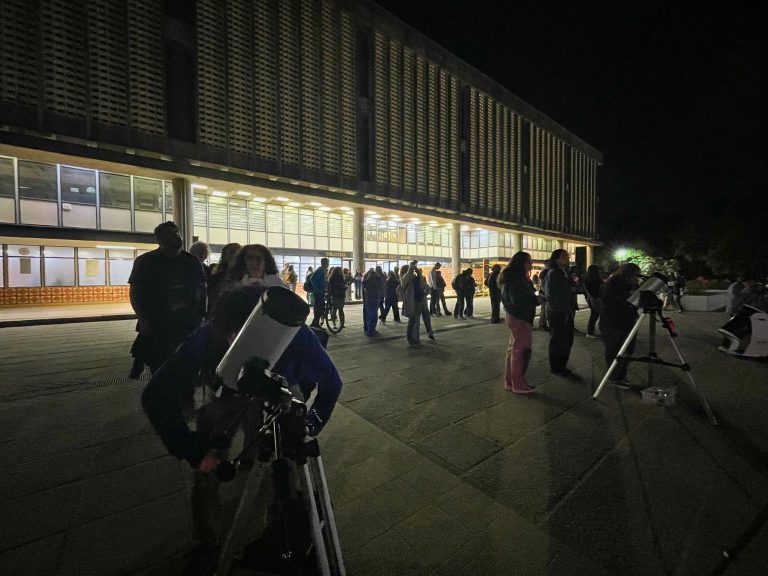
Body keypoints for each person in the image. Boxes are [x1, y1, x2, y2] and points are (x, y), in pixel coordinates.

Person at [141, 285, 343, 556]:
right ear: (225, 330)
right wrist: (191, 450)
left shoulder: (296, 334)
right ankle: (206, 538)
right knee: (206, 464)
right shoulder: (207, 335)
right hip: (227, 393)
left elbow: (331, 382)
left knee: (290, 463)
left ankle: (282, 528)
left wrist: (310, 425)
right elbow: (155, 395)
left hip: (281, 392)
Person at [128, 221, 206, 375]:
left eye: (177, 233)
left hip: (186, 322)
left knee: (186, 365)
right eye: (169, 235)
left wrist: (201, 317)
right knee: (160, 365)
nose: (175, 237)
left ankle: (185, 395)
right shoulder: (145, 262)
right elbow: (135, 292)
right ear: (159, 239)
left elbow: (202, 291)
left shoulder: (191, 262)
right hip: (158, 323)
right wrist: (143, 319)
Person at [499, 252, 539, 393]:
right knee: (520, 351)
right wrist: (536, 300)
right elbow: (520, 300)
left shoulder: (509, 277)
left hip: (513, 316)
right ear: (521, 263)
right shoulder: (517, 280)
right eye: (529, 262)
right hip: (520, 317)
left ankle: (510, 382)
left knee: (513, 350)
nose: (531, 264)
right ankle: (518, 385)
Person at [600, 263, 642, 389]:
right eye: (634, 275)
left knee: (628, 350)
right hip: (612, 322)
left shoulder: (632, 284)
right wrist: (628, 299)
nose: (636, 278)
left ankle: (621, 375)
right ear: (627, 274)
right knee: (614, 351)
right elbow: (610, 302)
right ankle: (615, 377)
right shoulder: (612, 283)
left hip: (628, 320)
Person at [544, 249, 577, 377]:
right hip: (557, 310)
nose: (568, 258)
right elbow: (551, 294)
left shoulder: (565, 272)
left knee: (567, 338)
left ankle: (562, 365)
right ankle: (556, 367)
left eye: (568, 256)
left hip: (566, 309)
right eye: (565, 256)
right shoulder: (553, 273)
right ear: (556, 259)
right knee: (558, 339)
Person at [402, 261, 434, 344]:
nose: (413, 272)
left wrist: (415, 267)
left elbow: (420, 276)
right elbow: (409, 274)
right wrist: (412, 265)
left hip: (421, 301)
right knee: (413, 321)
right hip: (414, 302)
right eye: (411, 270)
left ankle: (427, 333)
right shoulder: (406, 278)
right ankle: (412, 338)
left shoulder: (417, 278)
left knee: (423, 318)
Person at [207, 243, 242, 312]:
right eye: (232, 252)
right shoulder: (215, 278)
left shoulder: (246, 276)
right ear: (224, 256)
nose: (234, 255)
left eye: (238, 253)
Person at [584, 265, 604, 338]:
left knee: (594, 314)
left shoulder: (587, 278)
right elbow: (597, 290)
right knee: (598, 314)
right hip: (596, 298)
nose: (600, 271)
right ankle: (591, 332)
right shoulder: (595, 279)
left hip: (590, 298)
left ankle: (590, 332)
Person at [310, 258, 329, 327]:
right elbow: (313, 279)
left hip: (320, 292)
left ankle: (316, 323)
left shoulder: (322, 270)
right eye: (327, 263)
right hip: (318, 292)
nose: (328, 265)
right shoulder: (320, 270)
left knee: (319, 308)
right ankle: (315, 323)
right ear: (324, 263)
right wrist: (318, 288)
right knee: (319, 308)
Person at [362, 268, 381, 336]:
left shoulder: (365, 282)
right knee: (373, 316)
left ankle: (368, 328)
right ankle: (371, 330)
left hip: (367, 300)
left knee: (368, 315)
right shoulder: (375, 282)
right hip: (373, 300)